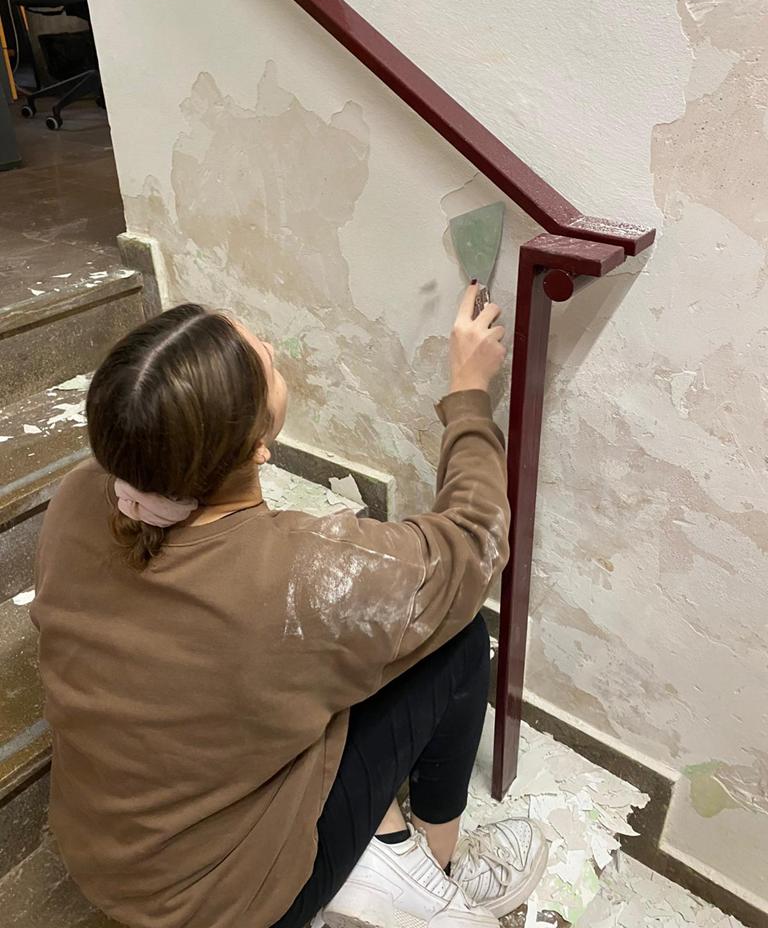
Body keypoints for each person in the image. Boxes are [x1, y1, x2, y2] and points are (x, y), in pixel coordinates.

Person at [31, 284, 548, 928]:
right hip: (228, 905)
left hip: (105, 856)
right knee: (458, 644)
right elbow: (472, 543)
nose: (273, 349)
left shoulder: (80, 494)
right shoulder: (303, 577)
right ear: (257, 449)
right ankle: (435, 872)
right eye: (265, 363)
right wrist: (469, 392)